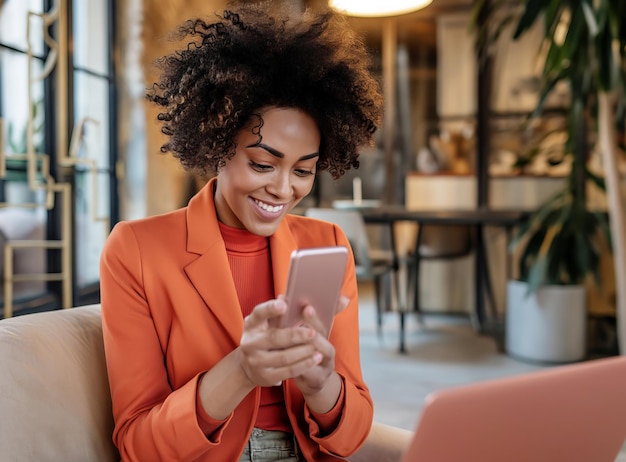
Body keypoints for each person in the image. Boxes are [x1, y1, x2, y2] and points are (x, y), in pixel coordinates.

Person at [100, 3, 383, 461]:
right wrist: (242, 370)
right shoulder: (135, 250)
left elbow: (351, 436)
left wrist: (320, 384)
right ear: (217, 140)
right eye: (262, 164)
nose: (283, 188)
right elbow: (138, 445)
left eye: (304, 171)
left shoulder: (327, 245)